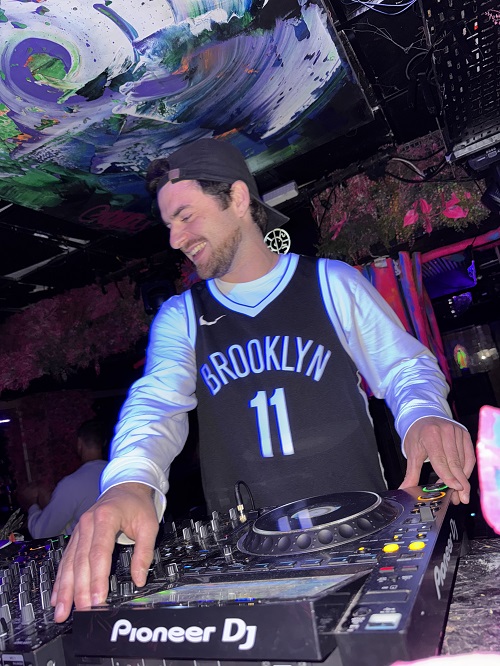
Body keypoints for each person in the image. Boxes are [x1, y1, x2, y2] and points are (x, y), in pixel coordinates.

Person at [51, 138, 475, 622]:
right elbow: (156, 405)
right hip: (247, 563)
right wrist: (130, 480)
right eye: (169, 225)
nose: (175, 239)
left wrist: (424, 414)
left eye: (185, 216)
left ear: (236, 198)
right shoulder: (181, 316)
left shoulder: (330, 281)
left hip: (363, 537)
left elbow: (404, 367)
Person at [18, 420, 108, 539]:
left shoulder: (72, 483)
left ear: (79, 443)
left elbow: (41, 533)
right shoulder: (118, 475)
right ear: (104, 443)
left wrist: (32, 505)